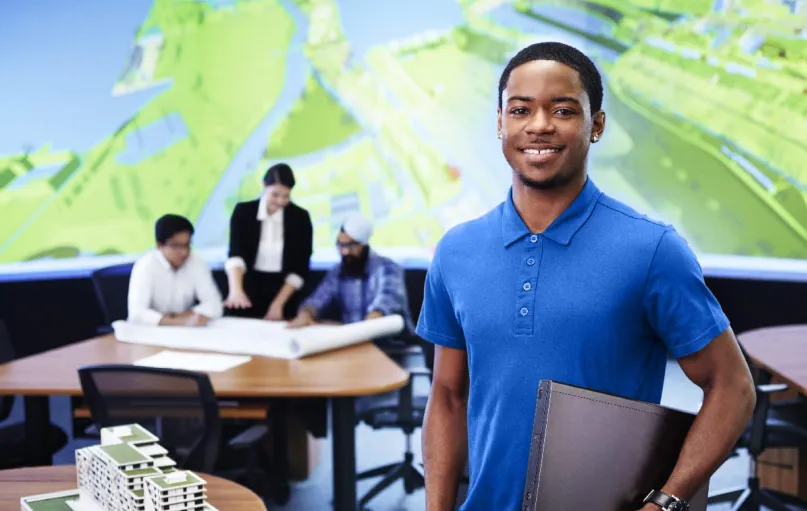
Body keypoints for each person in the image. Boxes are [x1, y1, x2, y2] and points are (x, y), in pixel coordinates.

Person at [417, 42, 756, 511]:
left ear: (596, 125)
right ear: (500, 122)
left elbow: (733, 388)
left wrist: (667, 503)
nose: (539, 125)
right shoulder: (456, 251)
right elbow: (448, 396)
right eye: (520, 110)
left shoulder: (653, 250)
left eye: (562, 110)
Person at [287, 213, 413, 334]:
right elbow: (316, 300)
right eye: (341, 245)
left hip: (395, 349)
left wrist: (336, 327)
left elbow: (381, 310)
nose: (345, 252)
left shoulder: (388, 268)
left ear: (363, 244)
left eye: (351, 245)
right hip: (356, 341)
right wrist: (306, 315)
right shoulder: (337, 271)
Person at [224, 163, 314, 320]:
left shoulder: (301, 218)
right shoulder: (243, 212)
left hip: (283, 292)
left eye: (286, 196)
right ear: (264, 186)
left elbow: (300, 268)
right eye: (275, 194)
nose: (280, 201)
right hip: (248, 288)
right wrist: (236, 290)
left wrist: (278, 304)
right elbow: (236, 254)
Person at [127, 214, 224, 326]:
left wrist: (178, 317)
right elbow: (137, 314)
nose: (184, 252)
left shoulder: (195, 261)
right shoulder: (146, 265)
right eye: (176, 246)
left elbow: (215, 305)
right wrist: (179, 321)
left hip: (186, 331)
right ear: (159, 245)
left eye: (187, 245)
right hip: (151, 333)